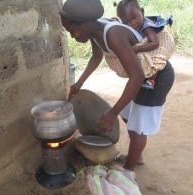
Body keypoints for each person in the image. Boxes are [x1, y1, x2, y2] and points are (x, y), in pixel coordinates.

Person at [60, 0, 175, 171]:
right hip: (141, 78)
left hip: (155, 78)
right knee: (129, 116)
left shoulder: (113, 34)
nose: (73, 36)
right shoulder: (94, 31)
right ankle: (137, 156)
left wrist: (111, 113)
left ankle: (129, 170)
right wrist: (79, 84)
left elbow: (137, 76)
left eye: (72, 30)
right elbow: (96, 57)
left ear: (85, 23)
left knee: (139, 126)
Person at [115, 0, 175, 89]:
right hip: (145, 46)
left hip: (155, 46)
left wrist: (139, 49)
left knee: (155, 62)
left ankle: (150, 80)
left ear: (142, 12)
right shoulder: (132, 25)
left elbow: (155, 43)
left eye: (134, 18)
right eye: (126, 22)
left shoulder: (146, 27)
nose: (132, 23)